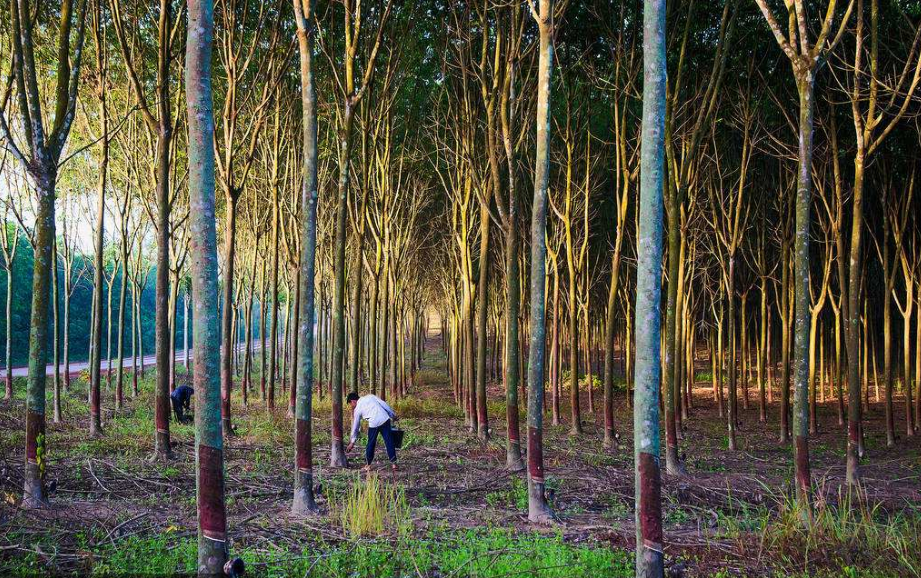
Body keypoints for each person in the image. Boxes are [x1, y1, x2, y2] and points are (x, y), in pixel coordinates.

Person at [345, 392, 398, 471]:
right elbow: (384, 404)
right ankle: (394, 464)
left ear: (353, 401)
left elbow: (356, 426)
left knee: (371, 443)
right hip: (385, 419)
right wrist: (392, 415)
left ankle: (368, 465)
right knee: (389, 441)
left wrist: (352, 441)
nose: (351, 406)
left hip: (374, 423)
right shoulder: (370, 396)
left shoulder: (357, 409)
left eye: (350, 404)